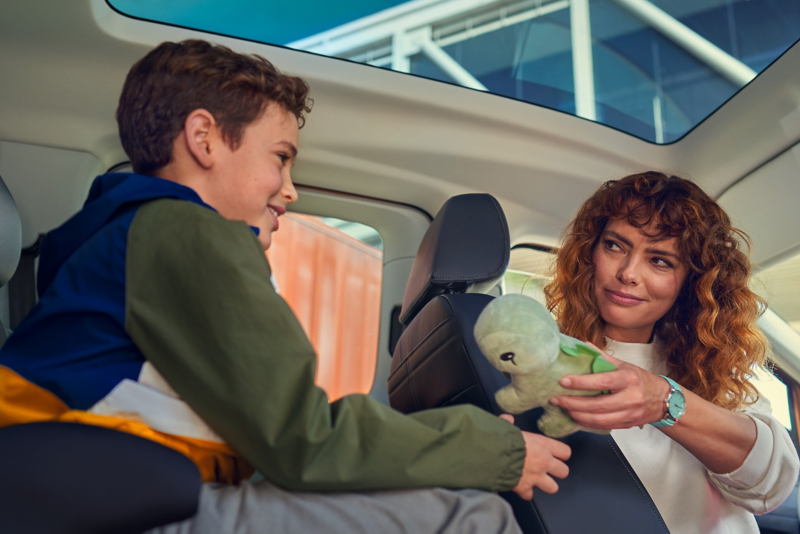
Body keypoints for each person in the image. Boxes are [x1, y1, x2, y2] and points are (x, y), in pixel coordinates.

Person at [0, 40, 571, 534]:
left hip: (105, 494)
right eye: (280, 158)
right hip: (110, 508)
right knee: (472, 518)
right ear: (204, 138)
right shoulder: (185, 230)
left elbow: (271, 440)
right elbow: (302, 439)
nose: (289, 190)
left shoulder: (121, 234)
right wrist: (491, 451)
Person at [544, 172, 800, 534]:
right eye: (615, 245)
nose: (628, 273)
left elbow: (768, 487)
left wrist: (666, 401)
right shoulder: (541, 359)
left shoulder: (714, 366)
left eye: (660, 261)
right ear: (590, 252)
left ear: (692, 282)